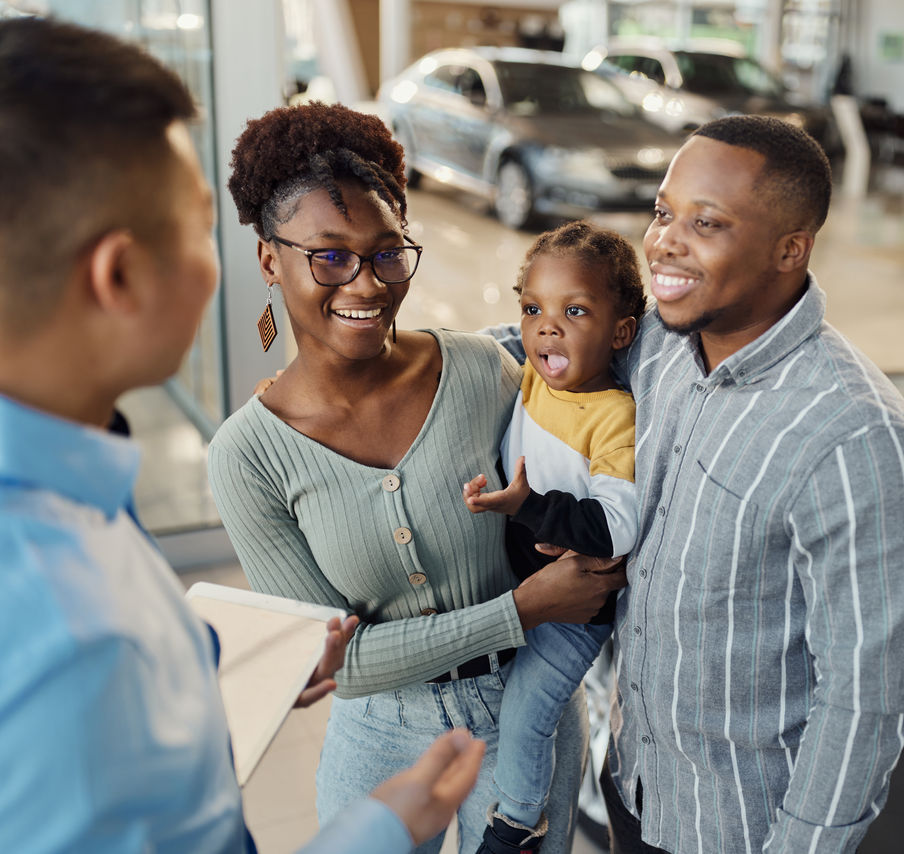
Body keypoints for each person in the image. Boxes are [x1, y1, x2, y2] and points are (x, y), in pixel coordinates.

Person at [0, 16, 485, 854]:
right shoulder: (69, 627)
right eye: (195, 227)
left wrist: (201, 666)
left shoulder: (74, 502)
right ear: (119, 276)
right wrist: (378, 831)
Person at [488, 115, 904, 852]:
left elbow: (865, 702)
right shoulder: (661, 342)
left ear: (790, 249)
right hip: (634, 784)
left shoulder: (859, 437)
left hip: (736, 828)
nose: (666, 240)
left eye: (708, 222)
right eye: (665, 212)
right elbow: (541, 339)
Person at [206, 103, 626, 854]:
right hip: (376, 738)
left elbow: (585, 466)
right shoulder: (248, 457)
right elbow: (344, 661)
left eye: (388, 252)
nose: (366, 284)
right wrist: (524, 609)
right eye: (329, 256)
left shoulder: (480, 372)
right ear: (271, 260)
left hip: (525, 719)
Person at [460, 221, 644, 853]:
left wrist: (529, 505)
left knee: (528, 710)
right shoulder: (536, 373)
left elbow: (616, 527)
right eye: (533, 309)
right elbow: (463, 349)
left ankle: (517, 823)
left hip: (576, 610)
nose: (546, 327)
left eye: (573, 311)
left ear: (620, 331)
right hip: (526, 584)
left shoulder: (614, 416)